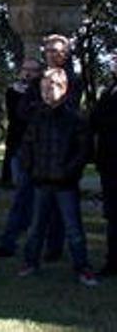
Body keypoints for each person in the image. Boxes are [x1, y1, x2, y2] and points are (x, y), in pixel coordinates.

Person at [18, 68, 97, 286]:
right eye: (43, 87)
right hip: (41, 181)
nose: (46, 91)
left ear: (63, 88)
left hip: (65, 183)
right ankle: (30, 262)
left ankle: (82, 267)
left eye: (51, 86)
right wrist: (31, 167)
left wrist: (69, 171)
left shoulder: (75, 118)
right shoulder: (38, 116)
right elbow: (27, 145)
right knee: (35, 227)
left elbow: (83, 151)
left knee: (74, 229)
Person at [0, 58, 64, 259]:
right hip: (20, 150)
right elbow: (19, 114)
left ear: (41, 72)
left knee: (46, 200)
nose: (28, 74)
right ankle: (9, 242)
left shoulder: (45, 90)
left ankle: (48, 246)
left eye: (33, 70)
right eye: (25, 70)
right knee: (21, 198)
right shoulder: (14, 92)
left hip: (43, 152)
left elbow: (39, 114)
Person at [90, 50, 117, 277]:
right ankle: (112, 261)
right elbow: (96, 120)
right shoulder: (108, 91)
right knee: (112, 214)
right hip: (110, 162)